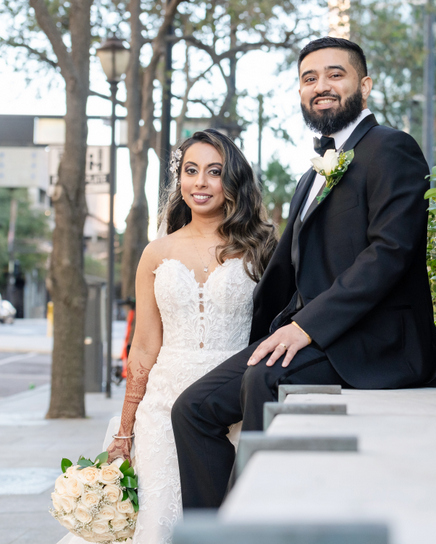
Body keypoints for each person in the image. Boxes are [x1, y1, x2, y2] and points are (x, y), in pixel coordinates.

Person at [172, 36, 436, 510]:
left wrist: (306, 327)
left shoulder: (391, 149)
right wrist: (260, 327)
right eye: (309, 79)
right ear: (301, 93)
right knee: (191, 409)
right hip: (313, 335)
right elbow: (287, 269)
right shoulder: (311, 174)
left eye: (334, 74)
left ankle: (258, 523)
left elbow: (390, 252)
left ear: (364, 86)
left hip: (373, 340)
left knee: (264, 379)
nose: (320, 86)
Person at [57, 129, 276, 544]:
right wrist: (125, 429)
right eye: (191, 171)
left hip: (233, 400)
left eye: (214, 172)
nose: (201, 183)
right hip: (161, 403)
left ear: (233, 180)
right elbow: (143, 346)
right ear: (179, 180)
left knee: (226, 521)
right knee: (160, 518)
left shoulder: (260, 247)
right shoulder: (157, 252)